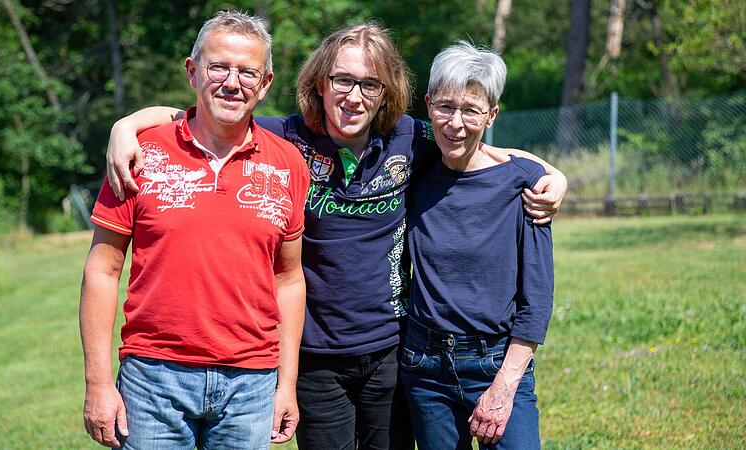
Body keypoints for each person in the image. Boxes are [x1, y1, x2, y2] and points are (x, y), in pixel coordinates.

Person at [104, 23, 566, 450]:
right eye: (342, 80)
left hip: (391, 350)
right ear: (320, 84)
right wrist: (127, 125)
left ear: (387, 94)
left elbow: (473, 145)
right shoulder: (286, 138)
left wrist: (552, 175)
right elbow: (207, 111)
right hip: (315, 356)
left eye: (370, 84)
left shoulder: (409, 138)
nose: (354, 96)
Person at [79, 11, 309, 450]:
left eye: (247, 72)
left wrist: (286, 384)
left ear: (265, 83)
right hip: (153, 379)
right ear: (192, 71)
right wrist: (98, 383)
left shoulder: (287, 164)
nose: (232, 82)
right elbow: (103, 270)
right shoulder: (139, 154)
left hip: (252, 384)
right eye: (218, 66)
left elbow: (289, 278)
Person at [400, 41, 554, 450]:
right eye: (445, 106)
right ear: (428, 104)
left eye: (470, 109)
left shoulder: (523, 183)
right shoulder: (415, 168)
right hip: (423, 365)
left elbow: (536, 300)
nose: (455, 123)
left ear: (491, 115)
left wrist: (504, 387)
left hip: (496, 362)